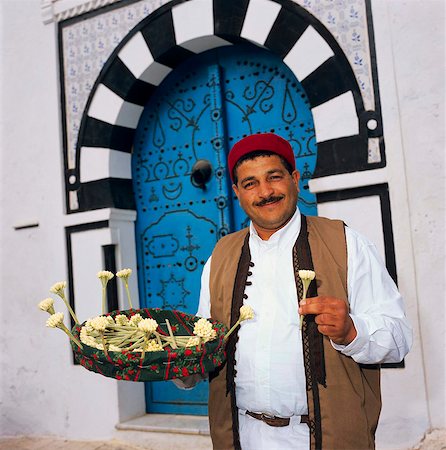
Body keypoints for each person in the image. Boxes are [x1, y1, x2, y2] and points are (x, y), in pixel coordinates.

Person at [179, 133, 412, 450]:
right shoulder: (220, 256)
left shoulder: (345, 244)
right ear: (236, 192)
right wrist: (169, 360)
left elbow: (398, 338)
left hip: (322, 438)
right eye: (250, 183)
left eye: (274, 177)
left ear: (295, 178)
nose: (265, 192)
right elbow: (204, 346)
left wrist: (352, 332)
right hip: (240, 436)